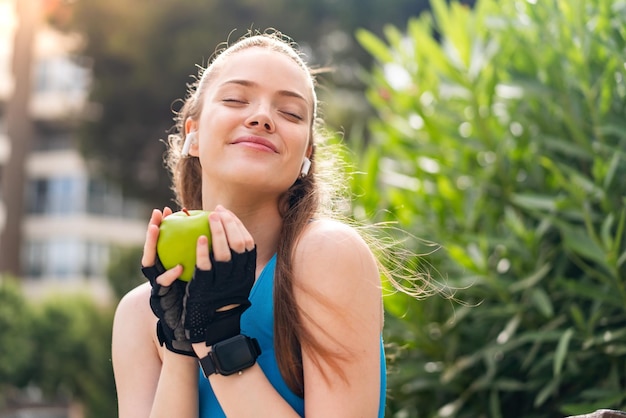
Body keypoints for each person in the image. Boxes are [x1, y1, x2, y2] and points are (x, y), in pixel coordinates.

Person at [112, 29, 393, 417]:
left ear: (305, 156)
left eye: (291, 113)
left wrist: (219, 343)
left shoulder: (328, 255)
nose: (261, 117)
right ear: (192, 134)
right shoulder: (139, 313)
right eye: (235, 99)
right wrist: (180, 347)